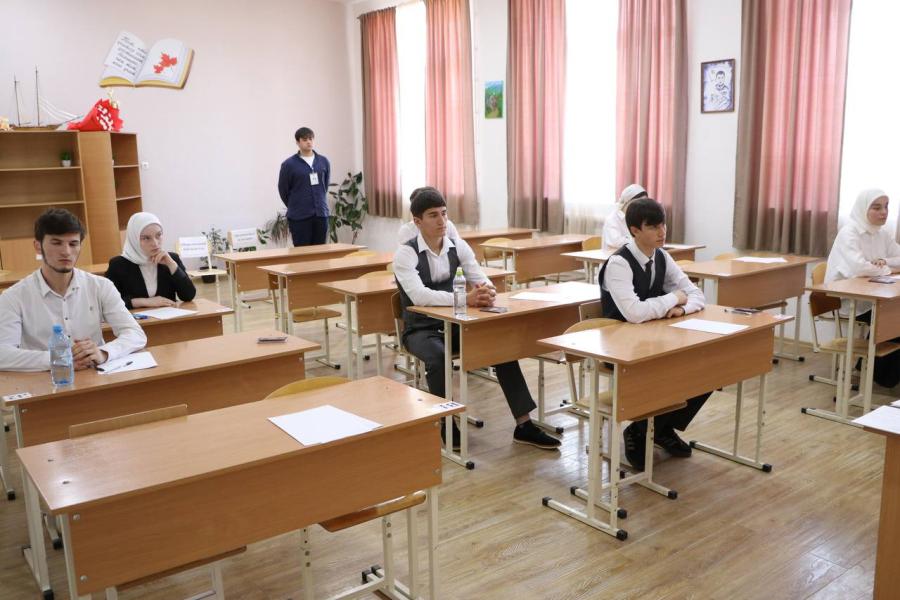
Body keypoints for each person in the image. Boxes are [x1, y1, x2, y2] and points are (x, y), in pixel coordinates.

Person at [393, 188, 561, 450]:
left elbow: (479, 277)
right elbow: (419, 296)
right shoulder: (406, 254)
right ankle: (446, 422)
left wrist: (486, 291)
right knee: (438, 358)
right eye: (433, 215)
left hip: (456, 324)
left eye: (444, 213)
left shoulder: (457, 245)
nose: (442, 221)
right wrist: (465, 299)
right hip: (421, 329)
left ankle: (524, 424)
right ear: (417, 221)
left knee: (501, 347)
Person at [597, 197, 709, 470]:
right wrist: (674, 298)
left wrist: (683, 308)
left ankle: (660, 427)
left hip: (654, 339)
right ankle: (639, 431)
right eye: (653, 227)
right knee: (678, 367)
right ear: (635, 230)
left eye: (663, 225)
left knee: (708, 367)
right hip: (620, 346)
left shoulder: (661, 256)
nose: (662, 232)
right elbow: (634, 313)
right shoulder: (619, 263)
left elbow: (696, 294)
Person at [0, 208, 147, 372]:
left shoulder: (101, 286)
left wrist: (104, 353)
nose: (66, 252)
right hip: (46, 379)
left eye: (73, 244)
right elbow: (2, 354)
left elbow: (135, 334)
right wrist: (58, 358)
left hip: (96, 376)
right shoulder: (13, 297)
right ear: (38, 246)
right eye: (56, 243)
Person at [825, 188, 900, 388]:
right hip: (849, 301)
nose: (884, 212)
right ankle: (880, 375)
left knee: (894, 317)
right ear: (863, 209)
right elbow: (859, 268)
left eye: (886, 207)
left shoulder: (881, 233)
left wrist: (884, 261)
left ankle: (871, 370)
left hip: (874, 297)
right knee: (895, 318)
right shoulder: (849, 233)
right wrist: (888, 269)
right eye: (877, 207)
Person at [105, 212, 196, 309]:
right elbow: (109, 303)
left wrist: (171, 265)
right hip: (135, 318)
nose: (155, 243)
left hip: (170, 317)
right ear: (134, 239)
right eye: (146, 238)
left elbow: (188, 296)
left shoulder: (171, 259)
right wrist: (143, 302)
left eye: (158, 235)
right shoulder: (118, 264)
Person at [278, 126, 331, 246]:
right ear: (298, 142)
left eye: (311, 139)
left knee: (320, 252)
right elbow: (283, 190)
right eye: (305, 139)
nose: (309, 142)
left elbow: (325, 186)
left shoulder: (323, 161)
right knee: (302, 252)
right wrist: (295, 204)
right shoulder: (288, 165)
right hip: (299, 217)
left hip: (321, 214)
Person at [602, 184, 648, 251]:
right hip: (614, 255)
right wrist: (639, 240)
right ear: (627, 201)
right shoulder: (612, 219)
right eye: (638, 203)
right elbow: (615, 242)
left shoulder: (637, 217)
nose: (641, 207)